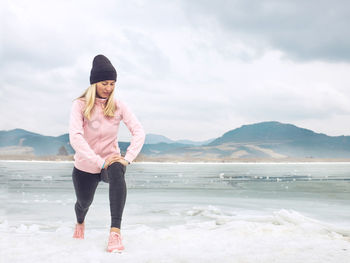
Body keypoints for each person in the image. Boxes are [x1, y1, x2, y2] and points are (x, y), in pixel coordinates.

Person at [68, 54, 145, 253]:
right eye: (104, 83)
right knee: (84, 203)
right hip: (85, 165)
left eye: (112, 83)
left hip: (110, 162)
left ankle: (115, 233)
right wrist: (98, 162)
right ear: (94, 83)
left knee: (117, 169)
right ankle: (80, 221)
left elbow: (139, 131)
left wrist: (127, 158)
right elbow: (76, 137)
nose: (108, 88)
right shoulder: (80, 105)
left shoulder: (118, 105)